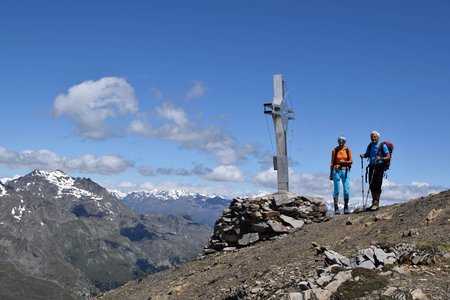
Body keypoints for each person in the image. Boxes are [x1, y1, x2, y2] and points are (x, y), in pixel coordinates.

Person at [360, 131, 391, 211]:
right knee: (372, 185)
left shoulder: (382, 146)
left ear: (378, 137)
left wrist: (381, 158)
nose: (373, 138)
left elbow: (388, 156)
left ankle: (376, 203)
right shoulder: (370, 146)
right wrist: (363, 155)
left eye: (375, 137)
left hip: (379, 167)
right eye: (372, 137)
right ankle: (374, 203)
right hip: (371, 166)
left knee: (377, 185)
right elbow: (367, 154)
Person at [329, 135, 353, 214]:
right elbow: (332, 162)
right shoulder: (335, 150)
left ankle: (346, 207)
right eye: (340, 141)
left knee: (346, 189)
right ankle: (336, 208)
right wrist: (331, 173)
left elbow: (351, 161)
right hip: (336, 170)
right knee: (336, 189)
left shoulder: (347, 149)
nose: (341, 143)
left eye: (342, 141)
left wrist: (344, 162)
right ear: (338, 142)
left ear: (345, 142)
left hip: (345, 170)